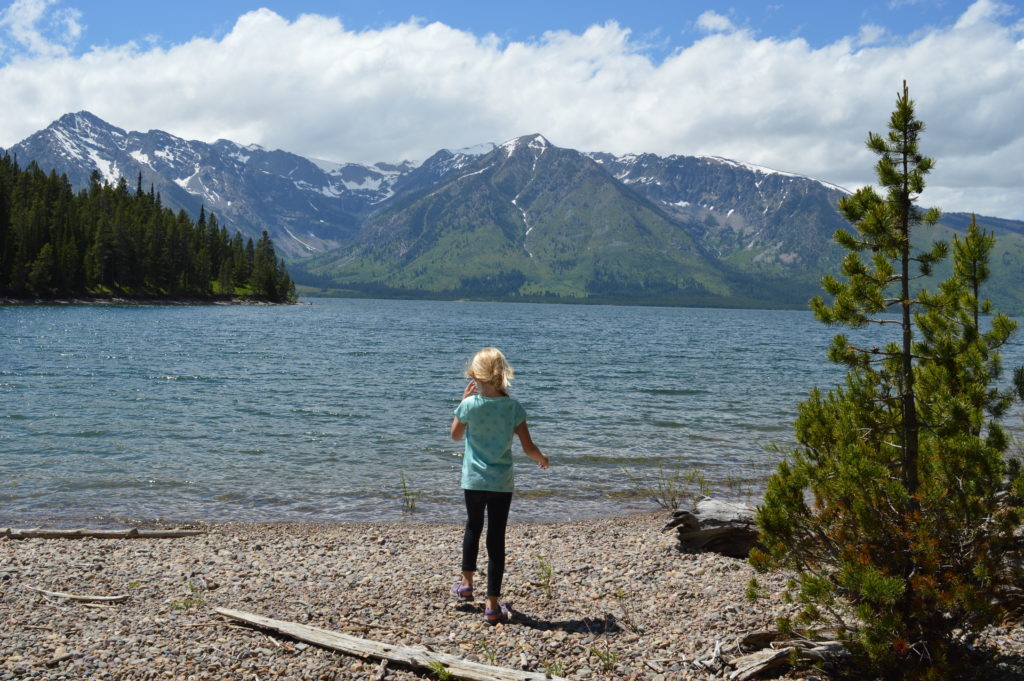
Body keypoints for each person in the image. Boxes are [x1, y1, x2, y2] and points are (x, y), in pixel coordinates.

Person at [450, 347, 549, 625]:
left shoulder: (469, 405)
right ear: (503, 374)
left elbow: (455, 436)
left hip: (473, 479)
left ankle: (466, 584)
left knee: (472, 527)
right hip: (501, 483)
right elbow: (528, 447)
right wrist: (541, 458)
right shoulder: (513, 408)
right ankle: (492, 605)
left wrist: (461, 403)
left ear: (475, 375)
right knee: (496, 539)